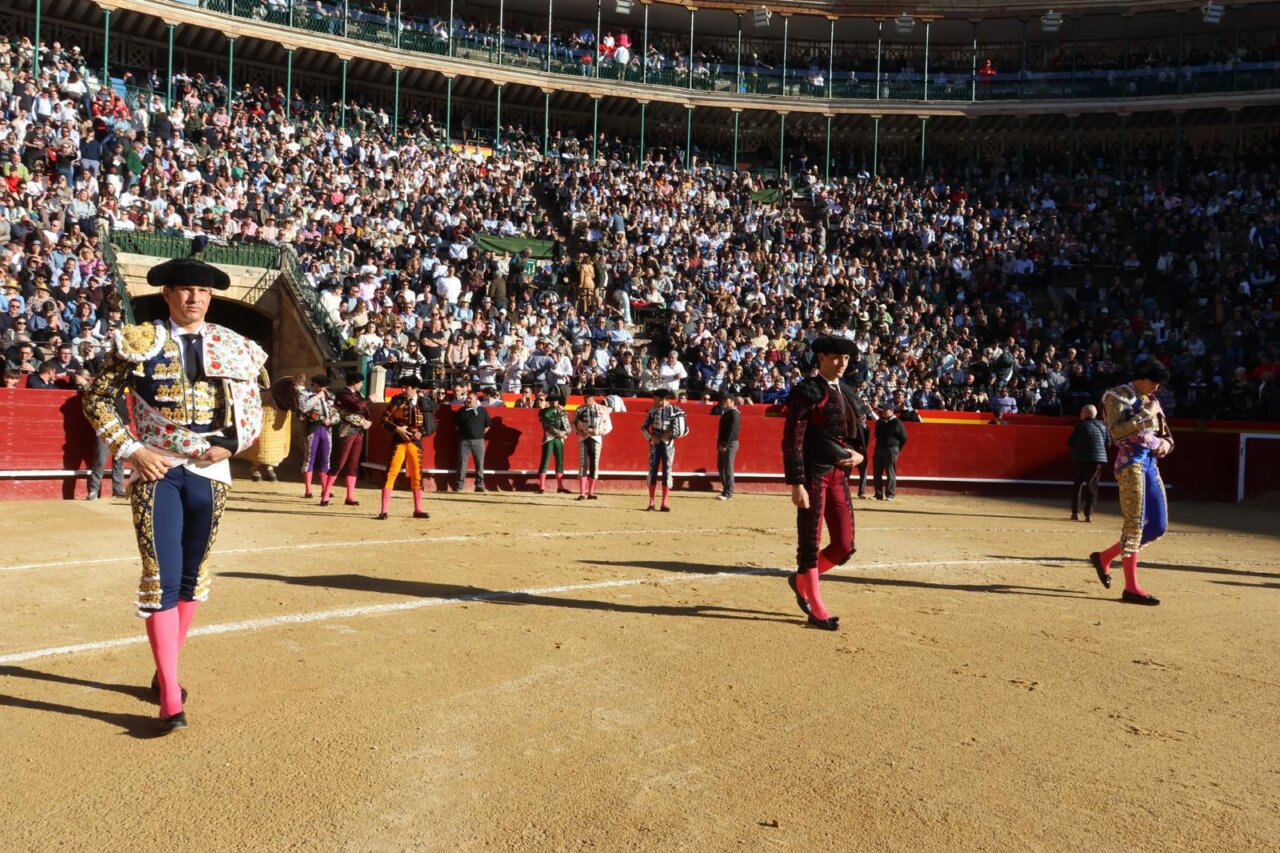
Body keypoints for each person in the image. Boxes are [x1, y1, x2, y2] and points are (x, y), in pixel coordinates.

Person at [81, 258, 269, 733]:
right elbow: (96, 397)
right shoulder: (140, 341)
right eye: (185, 290)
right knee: (159, 574)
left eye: (202, 292)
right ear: (167, 294)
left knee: (192, 573)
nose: (194, 299)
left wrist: (230, 443)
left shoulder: (231, 345)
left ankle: (165, 669)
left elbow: (247, 409)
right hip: (157, 469)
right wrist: (132, 448)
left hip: (211, 471)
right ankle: (169, 693)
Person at [781, 335, 866, 631]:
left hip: (839, 474)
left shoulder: (848, 393)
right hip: (815, 473)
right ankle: (816, 606)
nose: (841, 364)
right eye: (834, 358)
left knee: (844, 544)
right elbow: (793, 438)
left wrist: (859, 456)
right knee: (810, 541)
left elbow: (858, 435)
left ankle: (800, 579)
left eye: (845, 359)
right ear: (820, 358)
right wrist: (797, 482)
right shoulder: (807, 390)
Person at [1089, 361, 1173, 605]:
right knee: (1134, 524)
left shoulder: (1152, 400)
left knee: (1157, 526)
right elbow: (1116, 433)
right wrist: (1147, 413)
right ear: (1143, 377)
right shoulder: (1116, 396)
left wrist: (1166, 444)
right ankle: (1131, 587)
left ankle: (1104, 557)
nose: (1156, 388)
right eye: (1154, 382)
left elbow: (1165, 434)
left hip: (1150, 464)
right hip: (1130, 465)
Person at [378, 376, 434, 520]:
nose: (402, 390)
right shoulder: (397, 401)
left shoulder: (424, 403)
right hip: (399, 441)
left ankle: (418, 509)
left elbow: (432, 426)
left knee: (417, 475)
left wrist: (421, 433)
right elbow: (383, 420)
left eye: (406, 387)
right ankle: (384, 511)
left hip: (415, 443)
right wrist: (397, 429)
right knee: (391, 473)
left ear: (414, 389)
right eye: (402, 386)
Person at [320, 370, 372, 507]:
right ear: (355, 382)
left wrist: (368, 421)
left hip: (358, 431)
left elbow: (364, 411)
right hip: (347, 431)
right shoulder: (343, 394)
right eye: (360, 382)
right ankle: (325, 495)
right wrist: (370, 400)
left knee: (353, 465)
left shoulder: (358, 394)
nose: (361, 384)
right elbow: (356, 407)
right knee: (339, 462)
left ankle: (350, 496)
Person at [641, 387, 689, 512]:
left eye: (655, 398)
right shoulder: (652, 411)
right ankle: (651, 502)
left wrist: (671, 435)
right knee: (653, 471)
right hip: (655, 445)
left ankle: (664, 503)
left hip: (668, 444)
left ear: (662, 399)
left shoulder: (675, 411)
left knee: (667, 471)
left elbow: (685, 430)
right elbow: (644, 427)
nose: (653, 401)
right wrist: (651, 438)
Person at [297, 373, 338, 499]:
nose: (322, 389)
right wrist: (317, 397)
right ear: (314, 384)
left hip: (326, 429)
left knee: (326, 459)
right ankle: (308, 489)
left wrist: (331, 421)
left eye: (324, 387)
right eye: (320, 387)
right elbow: (303, 408)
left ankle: (325, 489)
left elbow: (336, 413)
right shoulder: (304, 394)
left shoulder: (330, 396)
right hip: (312, 428)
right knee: (309, 458)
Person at [1067, 403, 1109, 522]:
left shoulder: (1080, 425)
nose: (1080, 413)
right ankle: (1088, 514)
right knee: (1092, 486)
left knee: (1078, 485)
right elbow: (1108, 443)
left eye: (1081, 412)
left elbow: (1070, 442)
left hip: (1081, 459)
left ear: (1086, 414)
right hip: (1098, 460)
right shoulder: (1103, 426)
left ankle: (1075, 512)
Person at [573, 394, 612, 500]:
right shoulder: (580, 409)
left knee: (594, 464)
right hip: (583, 438)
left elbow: (608, 426)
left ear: (593, 397)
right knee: (583, 464)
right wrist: (578, 431)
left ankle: (591, 492)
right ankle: (582, 493)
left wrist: (598, 432)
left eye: (588, 398)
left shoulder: (603, 409)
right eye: (584, 398)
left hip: (596, 438)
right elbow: (574, 422)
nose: (586, 400)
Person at [454, 386, 491, 492]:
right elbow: (456, 425)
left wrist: (478, 434)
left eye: (470, 398)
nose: (468, 400)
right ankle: (459, 485)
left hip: (479, 441)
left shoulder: (482, 411)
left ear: (476, 400)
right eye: (467, 398)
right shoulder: (461, 411)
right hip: (464, 441)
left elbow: (488, 426)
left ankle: (479, 485)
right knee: (462, 464)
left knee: (480, 464)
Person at [536, 393, 572, 494]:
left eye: (555, 401)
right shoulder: (544, 412)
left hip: (559, 439)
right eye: (552, 401)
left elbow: (567, 426)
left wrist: (565, 433)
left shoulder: (562, 412)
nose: (554, 403)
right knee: (545, 461)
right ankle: (542, 486)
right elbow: (546, 426)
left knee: (559, 462)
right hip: (549, 438)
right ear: (549, 402)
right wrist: (559, 433)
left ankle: (560, 486)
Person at [873, 402, 907, 501]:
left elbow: (904, 437)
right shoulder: (880, 422)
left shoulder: (897, 422)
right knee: (877, 472)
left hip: (891, 449)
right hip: (879, 448)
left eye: (885, 409)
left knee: (890, 471)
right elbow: (876, 435)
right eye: (882, 410)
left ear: (891, 411)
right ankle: (878, 494)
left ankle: (890, 494)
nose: (882, 411)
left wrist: (896, 448)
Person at [716, 394, 740, 500]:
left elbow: (733, 431)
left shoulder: (734, 414)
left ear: (732, 401)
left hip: (730, 444)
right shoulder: (727, 413)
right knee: (721, 467)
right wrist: (720, 443)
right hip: (724, 443)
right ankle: (726, 490)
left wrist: (725, 444)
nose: (723, 402)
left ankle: (729, 493)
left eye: (726, 400)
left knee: (728, 468)